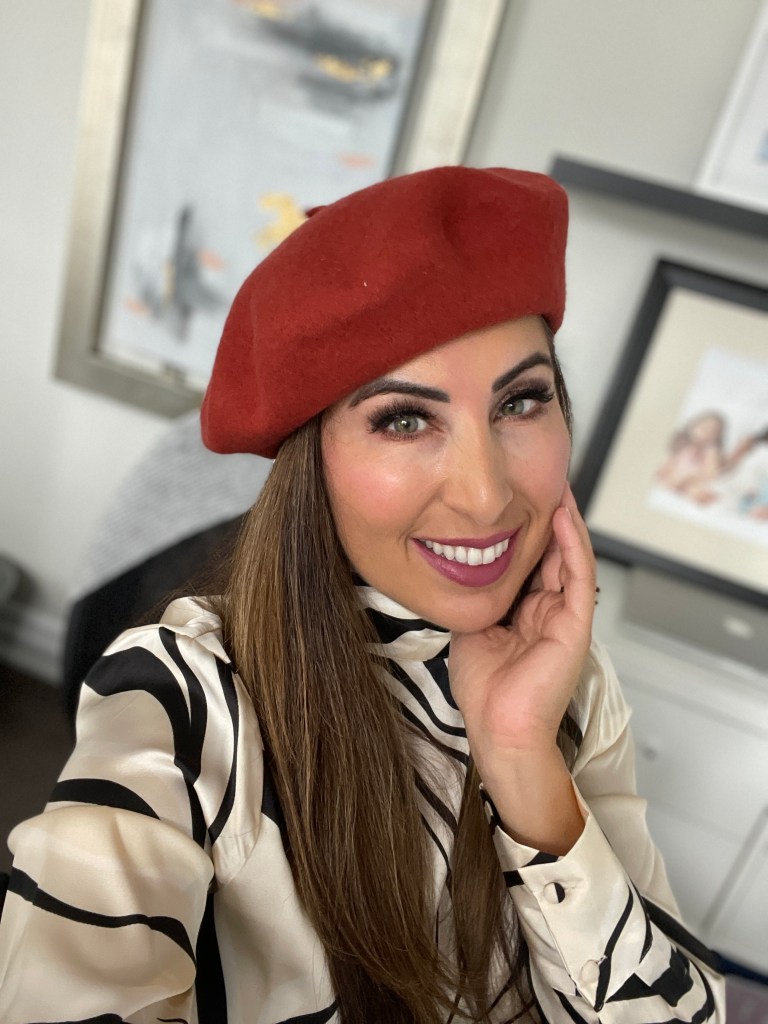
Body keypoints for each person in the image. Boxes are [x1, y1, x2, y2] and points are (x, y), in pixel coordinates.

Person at [0, 167, 724, 1023]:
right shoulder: (184, 697)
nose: (486, 495)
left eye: (522, 402)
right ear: (315, 463)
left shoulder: (573, 679)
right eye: (405, 420)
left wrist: (522, 758)